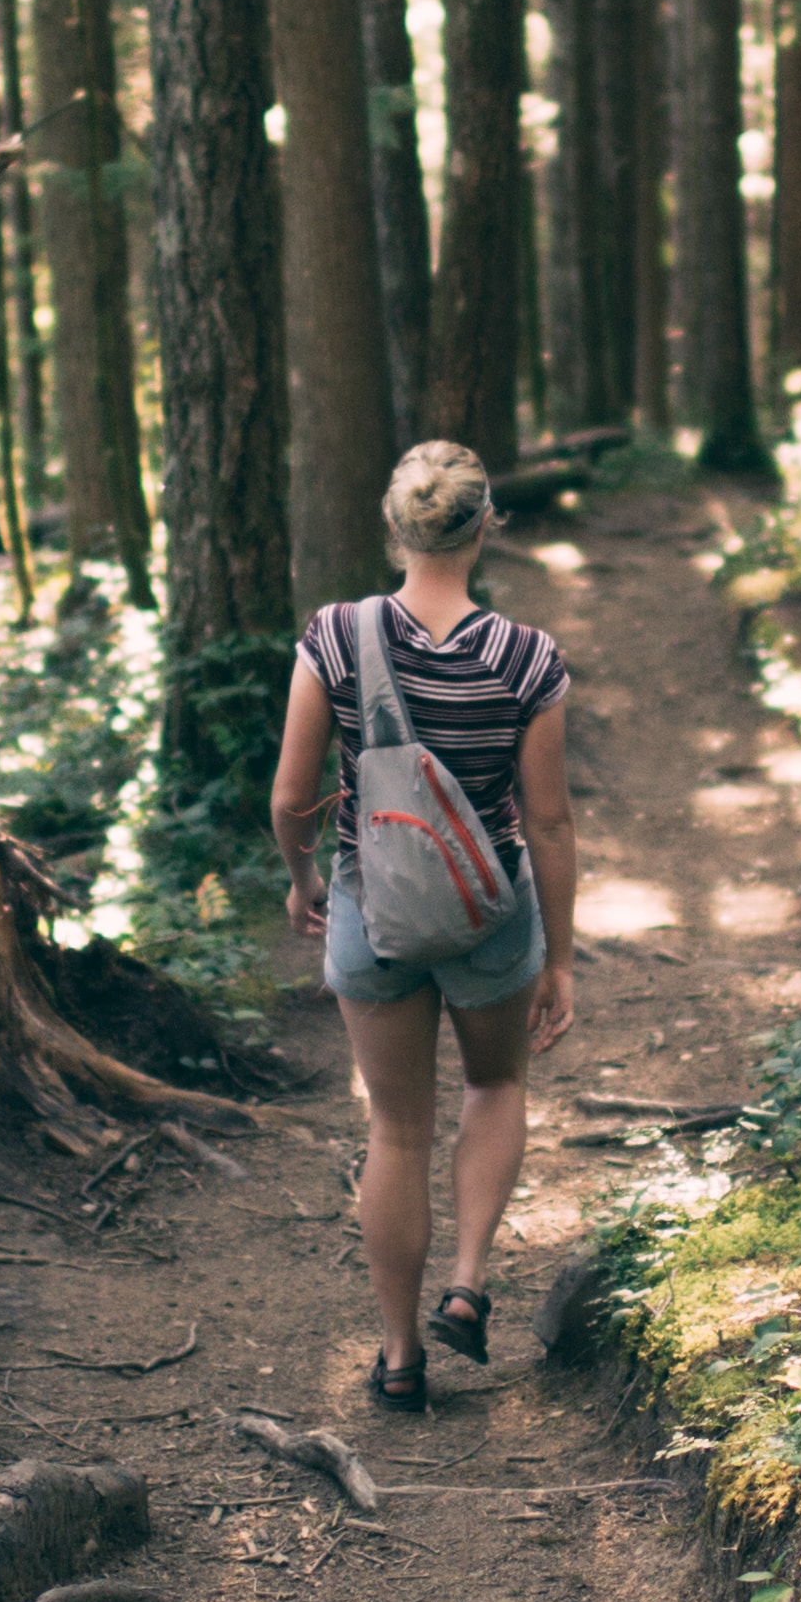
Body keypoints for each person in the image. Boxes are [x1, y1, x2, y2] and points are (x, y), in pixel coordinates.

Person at [270, 442, 577, 1405]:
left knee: (396, 1128)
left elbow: (290, 796)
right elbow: (549, 820)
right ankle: (469, 1281)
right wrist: (559, 957)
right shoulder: (527, 659)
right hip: (488, 912)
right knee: (493, 1083)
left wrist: (303, 876)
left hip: (374, 908)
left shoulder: (334, 635)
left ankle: (399, 1358)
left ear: (392, 525)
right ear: (487, 525)